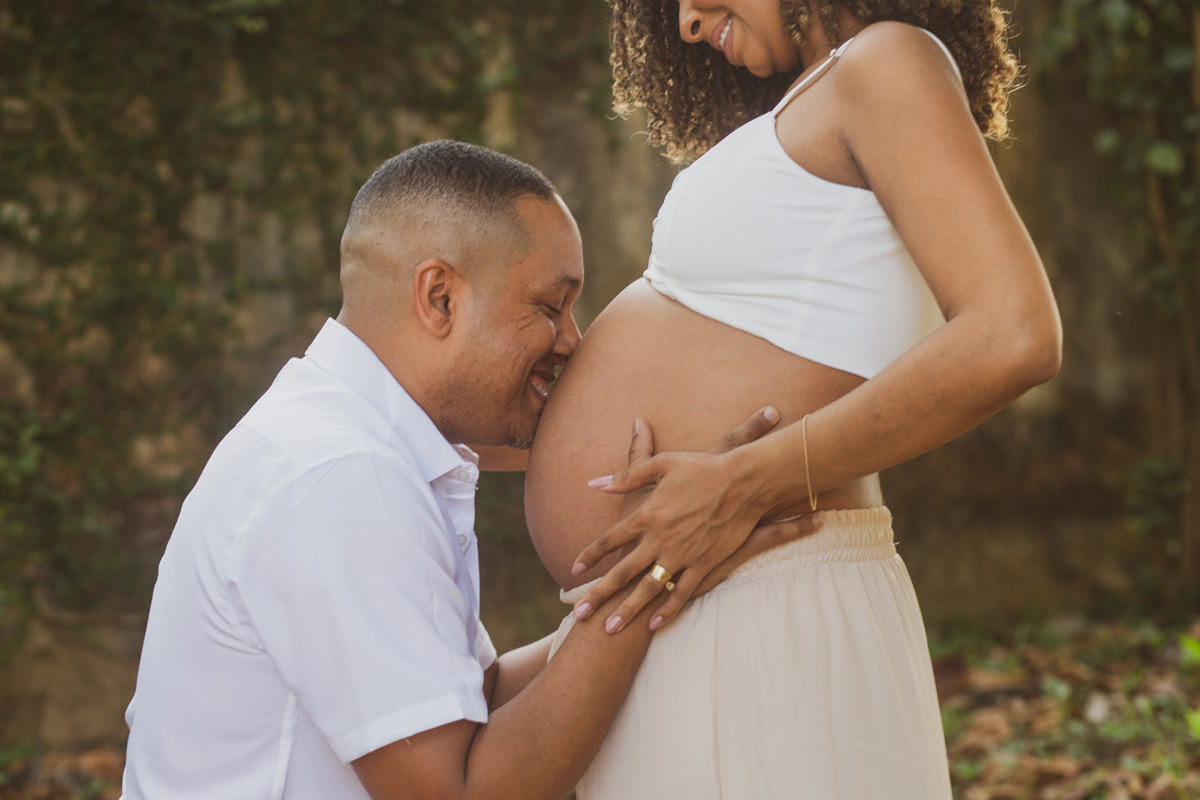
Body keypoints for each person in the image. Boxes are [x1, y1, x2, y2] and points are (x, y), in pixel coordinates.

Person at [119, 140, 817, 800]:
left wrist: (665, 573)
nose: (572, 341)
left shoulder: (355, 445)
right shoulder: (340, 478)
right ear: (440, 297)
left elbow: (474, 700)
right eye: (550, 306)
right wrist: (650, 569)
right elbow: (462, 791)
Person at [520, 1, 1062, 798]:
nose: (686, 24)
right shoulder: (818, 93)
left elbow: (1013, 334)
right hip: (691, 613)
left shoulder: (885, 61)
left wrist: (744, 484)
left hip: (766, 612)